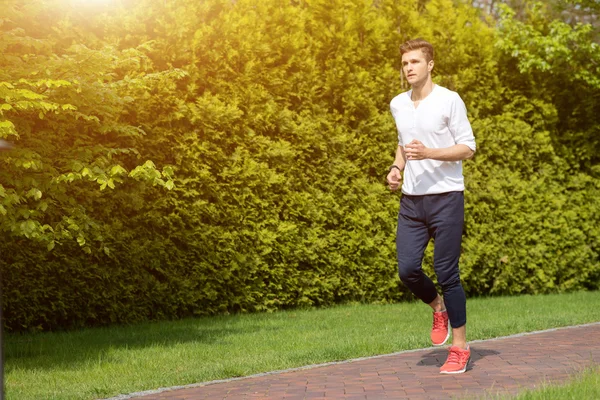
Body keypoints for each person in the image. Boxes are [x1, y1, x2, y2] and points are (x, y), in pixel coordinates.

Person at [387, 38, 476, 374]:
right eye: (405, 63)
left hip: (446, 197)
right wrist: (398, 168)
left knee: (446, 272)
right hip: (412, 200)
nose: (409, 68)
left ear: (430, 65)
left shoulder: (448, 100)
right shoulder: (398, 103)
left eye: (415, 62)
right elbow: (402, 142)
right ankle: (437, 306)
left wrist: (430, 153)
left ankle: (460, 346)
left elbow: (468, 148)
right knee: (407, 269)